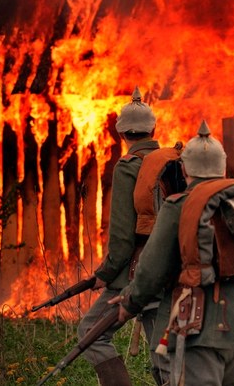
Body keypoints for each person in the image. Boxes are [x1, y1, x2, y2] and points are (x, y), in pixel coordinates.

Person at [116, 120, 234, 386]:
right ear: (222, 166)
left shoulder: (179, 206)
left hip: (198, 324)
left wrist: (130, 303)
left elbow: (151, 269)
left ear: (185, 168)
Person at [75, 87, 160, 386]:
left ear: (121, 134)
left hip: (137, 273)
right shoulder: (177, 162)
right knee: (163, 350)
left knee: (90, 332)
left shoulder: (128, 167)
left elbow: (123, 237)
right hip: (174, 269)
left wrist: (106, 273)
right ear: (153, 129)